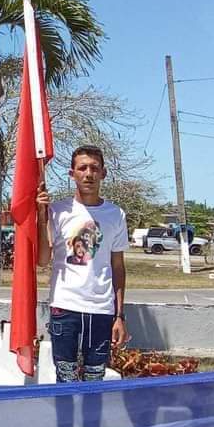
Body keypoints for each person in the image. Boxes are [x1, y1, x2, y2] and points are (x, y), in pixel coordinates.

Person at [37, 145, 130, 382]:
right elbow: (43, 260)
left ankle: (90, 421)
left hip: (101, 310)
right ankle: (65, 421)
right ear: (72, 174)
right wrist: (41, 217)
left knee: (94, 381)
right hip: (65, 307)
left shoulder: (115, 214)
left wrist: (119, 316)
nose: (88, 174)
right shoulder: (57, 211)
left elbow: (118, 267)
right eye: (82, 168)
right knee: (66, 381)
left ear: (103, 173)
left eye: (94, 168)